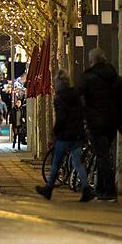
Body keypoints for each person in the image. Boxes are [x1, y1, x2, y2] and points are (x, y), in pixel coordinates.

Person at [35, 70, 95, 202]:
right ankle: (86, 189)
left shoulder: (60, 98)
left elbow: (61, 118)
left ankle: (48, 189)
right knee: (78, 163)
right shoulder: (77, 96)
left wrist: (55, 131)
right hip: (77, 134)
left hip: (64, 135)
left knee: (56, 162)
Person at [79, 47, 122, 202]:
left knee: (102, 156)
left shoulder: (88, 78)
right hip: (112, 123)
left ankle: (109, 191)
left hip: (96, 122)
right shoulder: (115, 77)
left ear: (92, 61)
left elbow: (79, 98)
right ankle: (101, 190)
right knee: (104, 154)